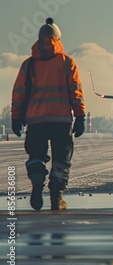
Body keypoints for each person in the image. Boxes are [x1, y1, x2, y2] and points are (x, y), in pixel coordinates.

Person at [11, 18, 86, 211]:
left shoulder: (28, 65)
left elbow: (18, 93)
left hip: (35, 122)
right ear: (57, 39)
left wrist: (15, 117)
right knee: (61, 160)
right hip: (61, 121)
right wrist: (80, 116)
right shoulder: (67, 62)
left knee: (36, 155)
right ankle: (57, 197)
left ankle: (37, 182)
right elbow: (75, 92)